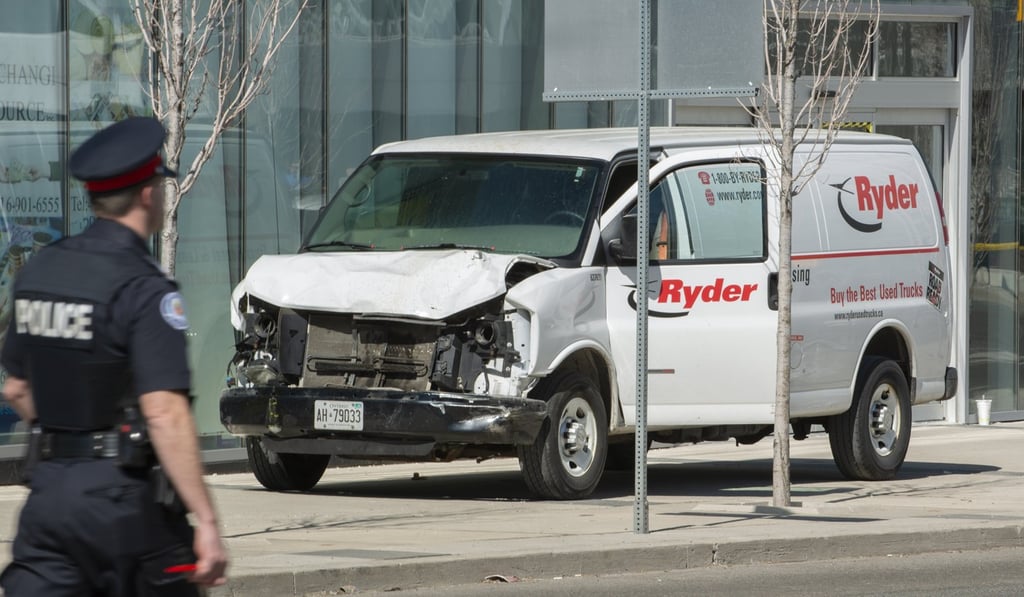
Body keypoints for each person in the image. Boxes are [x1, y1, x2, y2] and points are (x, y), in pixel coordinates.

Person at [0, 117, 228, 595]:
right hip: (124, 509)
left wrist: (71, 430)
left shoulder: (41, 271)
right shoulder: (145, 289)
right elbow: (164, 413)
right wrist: (205, 519)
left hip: (49, 498)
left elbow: (16, 387)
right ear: (149, 195)